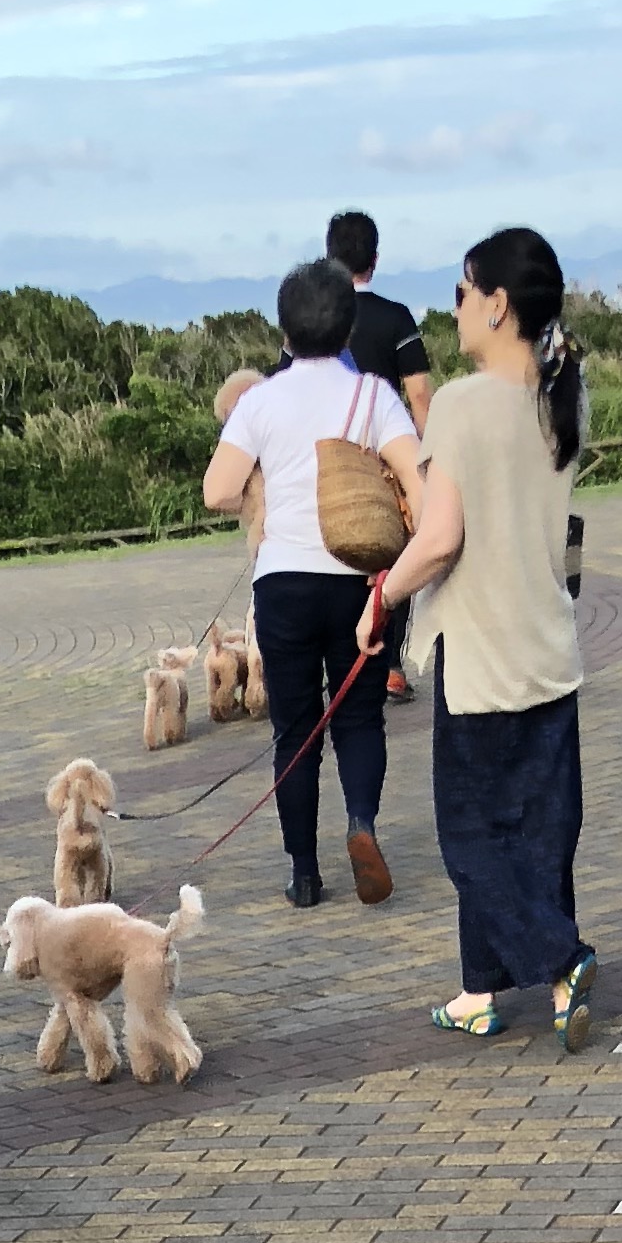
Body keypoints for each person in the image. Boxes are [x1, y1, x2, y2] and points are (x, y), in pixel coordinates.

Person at [360, 223, 595, 1048]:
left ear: (497, 305)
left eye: (462, 290)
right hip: (549, 647)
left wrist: (381, 596)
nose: (453, 306)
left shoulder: (461, 404)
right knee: (541, 831)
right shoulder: (564, 394)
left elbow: (441, 539)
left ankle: (563, 960)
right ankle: (481, 992)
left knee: (468, 836)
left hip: (480, 658)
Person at [202, 258, 422, 909]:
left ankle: (303, 872)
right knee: (358, 719)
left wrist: (270, 484)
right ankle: (361, 824)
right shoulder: (373, 396)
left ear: (285, 331)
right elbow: (419, 484)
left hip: (283, 584)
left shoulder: (261, 401)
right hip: (358, 580)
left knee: (294, 733)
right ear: (349, 326)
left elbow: (217, 491)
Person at [327, 208, 433, 696]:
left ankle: (340, 666)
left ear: (329, 257)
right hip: (390, 459)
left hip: (333, 462)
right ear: (374, 257)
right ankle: (388, 665)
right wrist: (426, 460)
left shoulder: (316, 323)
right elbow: (420, 397)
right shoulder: (396, 318)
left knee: (338, 553)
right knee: (397, 552)